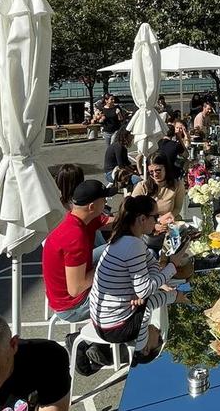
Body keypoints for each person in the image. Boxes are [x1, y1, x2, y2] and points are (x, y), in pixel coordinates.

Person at [90, 196, 191, 362]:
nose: (158, 221)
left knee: (150, 294)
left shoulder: (126, 239)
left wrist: (160, 284)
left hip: (103, 319)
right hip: (113, 327)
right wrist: (172, 267)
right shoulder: (133, 244)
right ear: (142, 219)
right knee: (149, 297)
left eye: (158, 340)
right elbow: (146, 294)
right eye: (155, 217)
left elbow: (152, 266)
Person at [43, 180, 116, 322]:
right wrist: (106, 268)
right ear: (92, 206)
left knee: (114, 249)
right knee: (129, 289)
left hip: (63, 292)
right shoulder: (75, 237)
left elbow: (113, 222)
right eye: (104, 199)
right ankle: (94, 339)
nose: (106, 202)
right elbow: (76, 288)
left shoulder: (78, 217)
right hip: (72, 307)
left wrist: (148, 222)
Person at [132, 153, 186, 230]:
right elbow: (132, 212)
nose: (155, 174)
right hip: (147, 227)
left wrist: (170, 215)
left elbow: (177, 207)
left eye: (158, 170)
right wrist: (153, 225)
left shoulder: (177, 185)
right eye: (151, 172)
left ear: (166, 168)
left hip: (170, 223)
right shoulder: (142, 187)